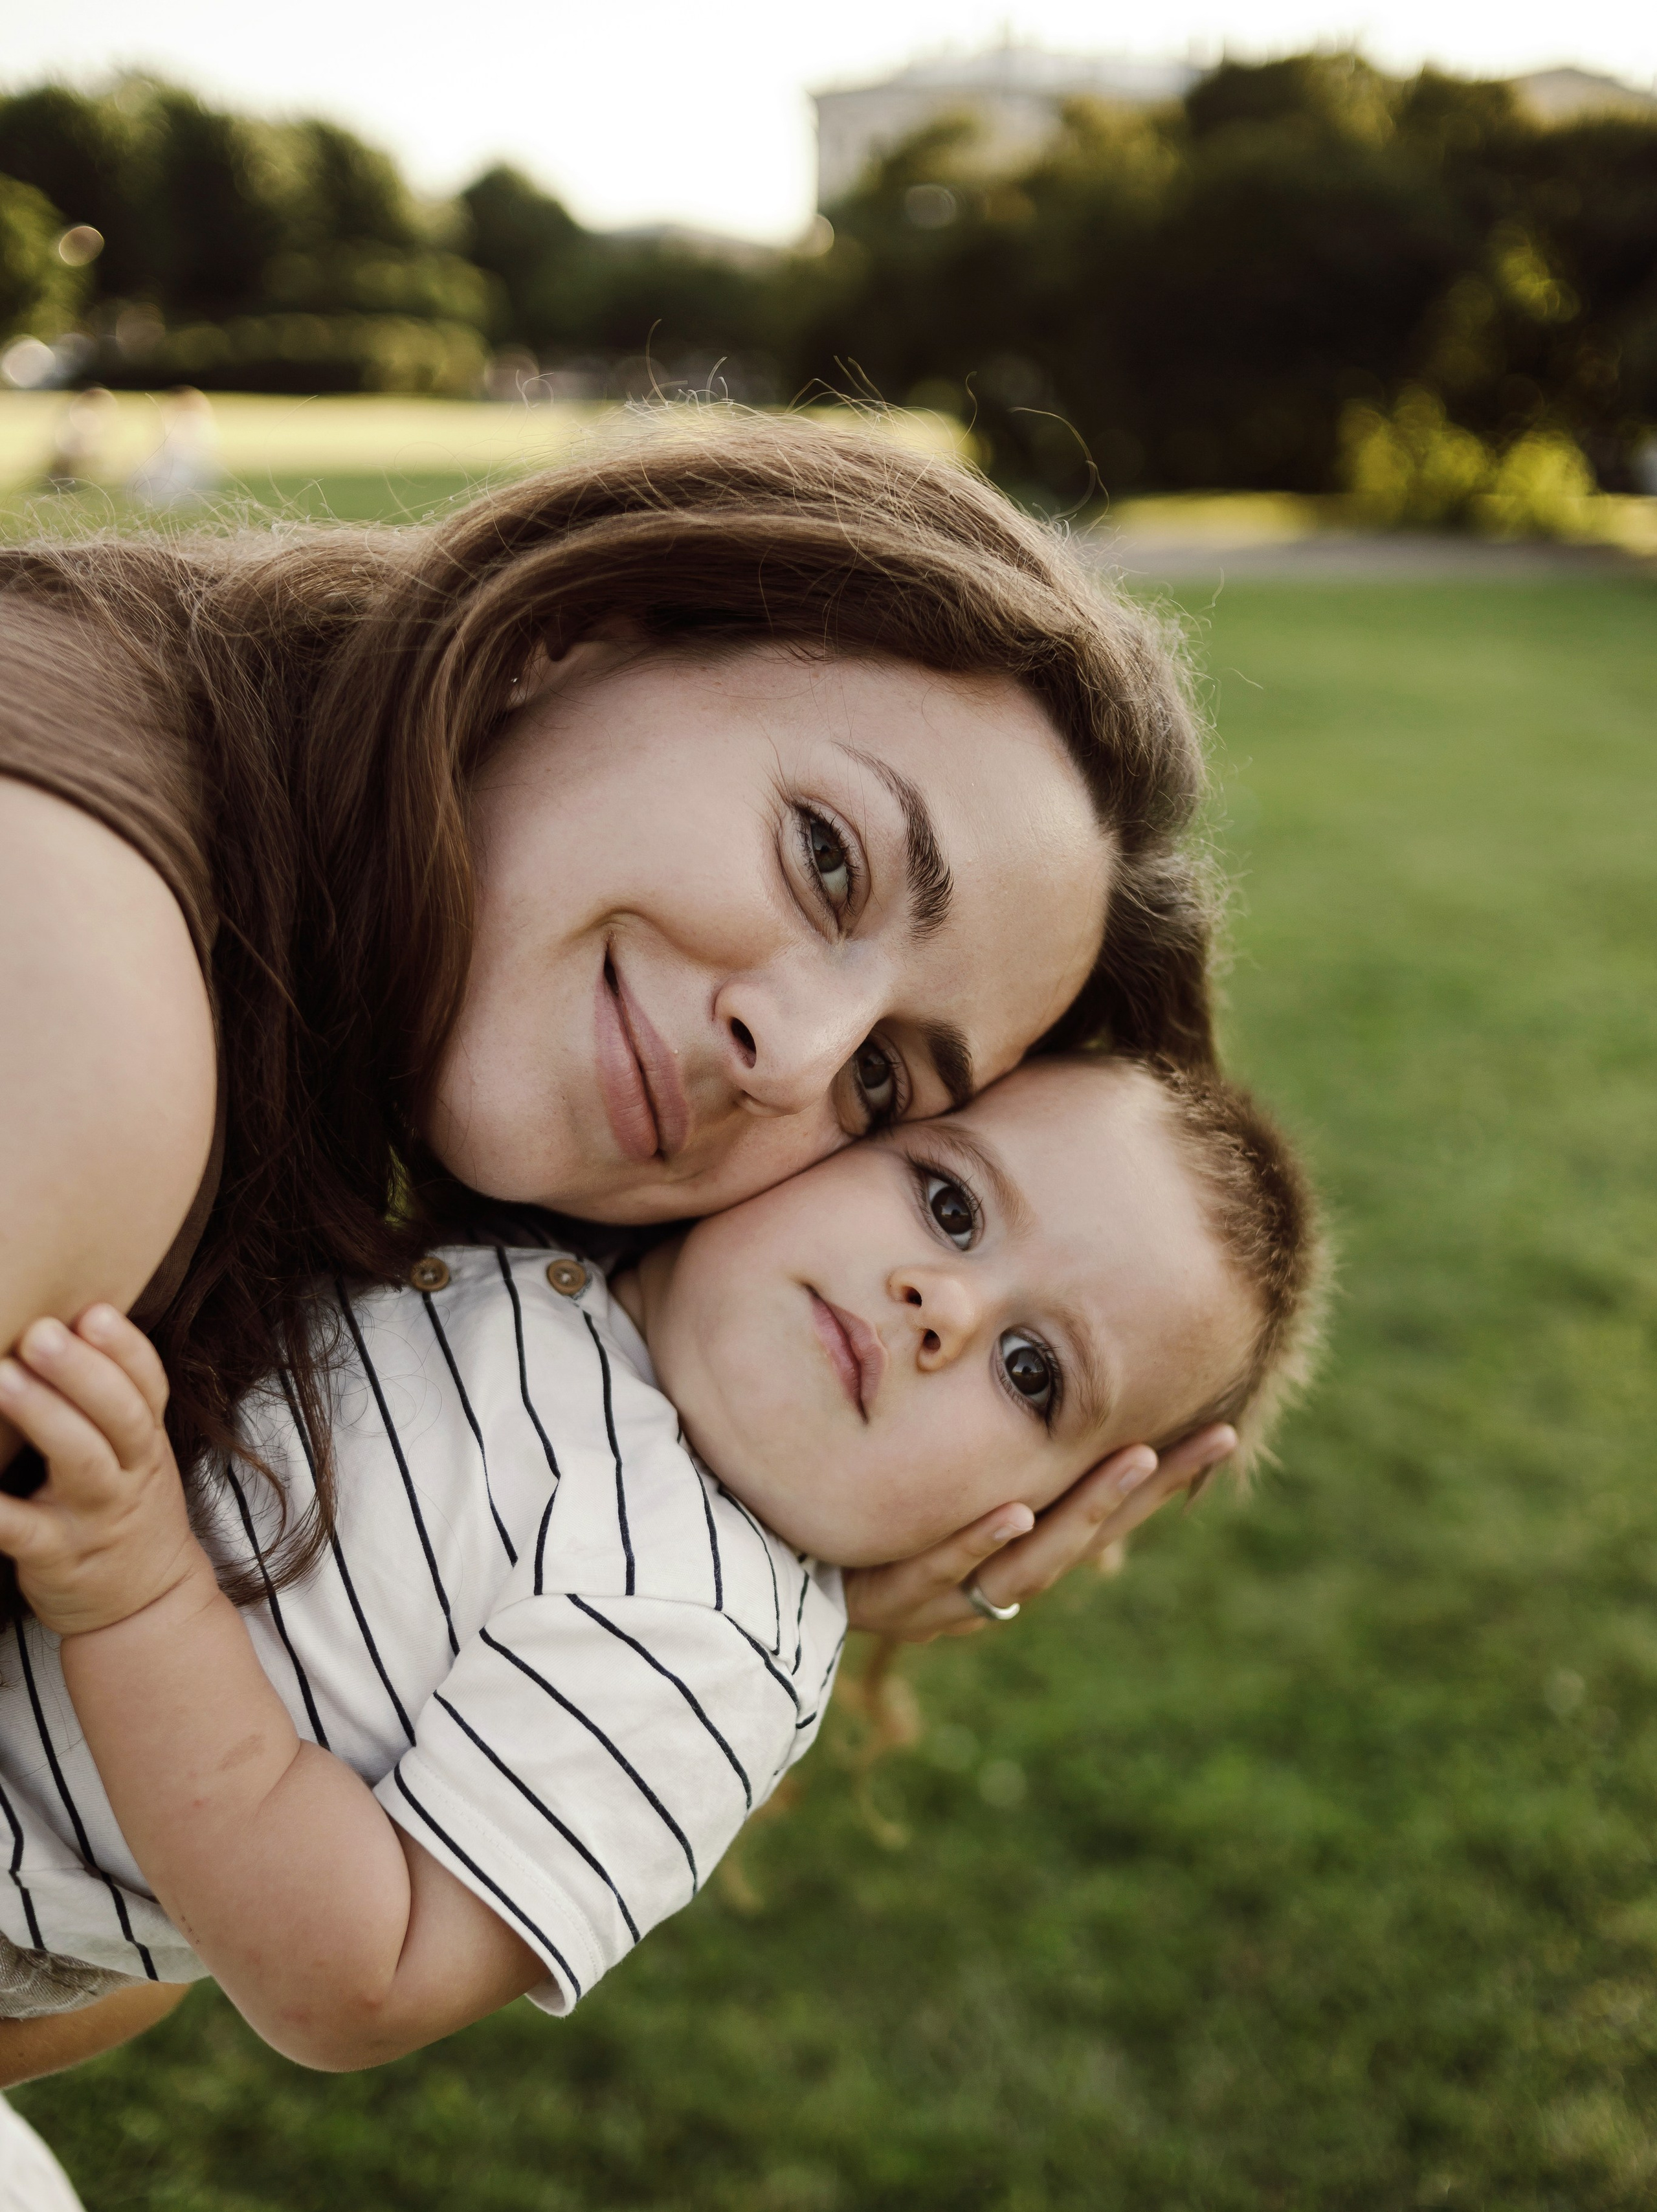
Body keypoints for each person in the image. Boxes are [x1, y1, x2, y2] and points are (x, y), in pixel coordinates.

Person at [0, 414, 1236, 2088]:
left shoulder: (377, 1170)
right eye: (825, 856)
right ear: (590, 627)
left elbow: (90, 1971)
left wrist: (743, 1540)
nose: (791, 1057)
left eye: (884, 1084)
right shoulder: (87, 1033)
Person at [0, 1053, 1320, 2073]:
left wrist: (136, 1588)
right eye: (949, 1201)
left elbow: (365, 1973)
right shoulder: (576, 1244)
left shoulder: (700, 1640)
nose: (943, 1303)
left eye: (1031, 1372)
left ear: (1036, 1518)